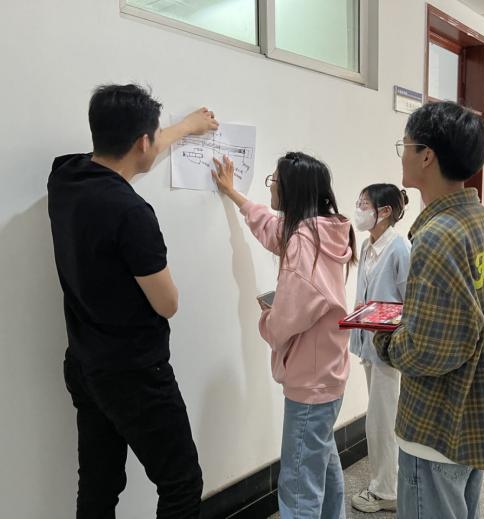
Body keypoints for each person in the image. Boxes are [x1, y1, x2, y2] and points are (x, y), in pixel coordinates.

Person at [47, 84, 218, 518]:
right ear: (142, 141)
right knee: (181, 483)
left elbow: (128, 159)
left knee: (99, 484)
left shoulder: (65, 177)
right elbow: (167, 304)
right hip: (134, 373)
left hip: (85, 363)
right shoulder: (132, 213)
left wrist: (186, 127)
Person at [373, 101, 484, 519]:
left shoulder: (437, 235)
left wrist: (385, 339)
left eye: (405, 145)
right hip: (471, 411)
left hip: (436, 425)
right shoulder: (481, 219)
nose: (402, 154)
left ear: (426, 156)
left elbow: (430, 348)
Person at [212, 152, 357, 519]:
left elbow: (285, 322)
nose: (271, 186)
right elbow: (271, 227)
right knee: (322, 463)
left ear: (292, 189)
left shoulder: (303, 243)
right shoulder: (322, 230)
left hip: (311, 379)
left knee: (298, 484)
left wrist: (266, 318)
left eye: (274, 181)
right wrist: (234, 194)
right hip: (329, 371)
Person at [349, 184, 411, 513]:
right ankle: (385, 483)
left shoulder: (400, 249)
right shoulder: (368, 245)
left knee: (382, 421)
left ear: (384, 211)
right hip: (370, 344)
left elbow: (411, 303)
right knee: (379, 418)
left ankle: (387, 490)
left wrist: (385, 321)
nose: (358, 210)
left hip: (390, 349)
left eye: (364, 204)